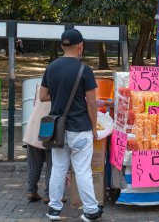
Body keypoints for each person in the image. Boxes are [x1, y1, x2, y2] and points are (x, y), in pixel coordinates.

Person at [40, 29, 103, 222]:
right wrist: (94, 127)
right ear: (80, 46)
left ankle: (54, 209)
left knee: (58, 169)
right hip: (80, 129)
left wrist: (60, 96)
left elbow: (42, 96)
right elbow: (92, 103)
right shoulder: (85, 70)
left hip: (57, 130)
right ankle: (91, 210)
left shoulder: (51, 67)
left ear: (62, 45)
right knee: (82, 170)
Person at [23, 84, 52, 203]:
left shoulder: (39, 86)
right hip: (50, 127)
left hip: (34, 127)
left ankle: (31, 191)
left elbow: (36, 104)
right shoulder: (61, 87)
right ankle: (49, 194)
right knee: (53, 164)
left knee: (33, 163)